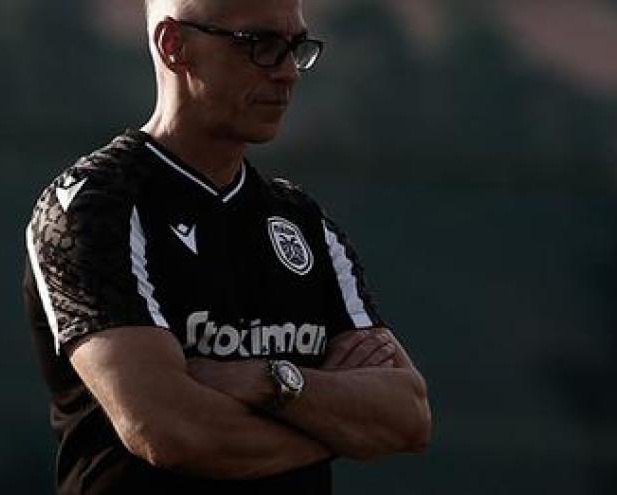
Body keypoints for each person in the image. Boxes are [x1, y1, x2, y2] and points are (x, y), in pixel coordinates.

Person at [22, 0, 431, 493]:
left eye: (296, 47)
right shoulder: (92, 207)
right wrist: (337, 430)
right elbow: (172, 431)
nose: (287, 72)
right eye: (259, 45)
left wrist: (269, 379)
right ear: (174, 45)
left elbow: (408, 414)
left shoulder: (300, 220)